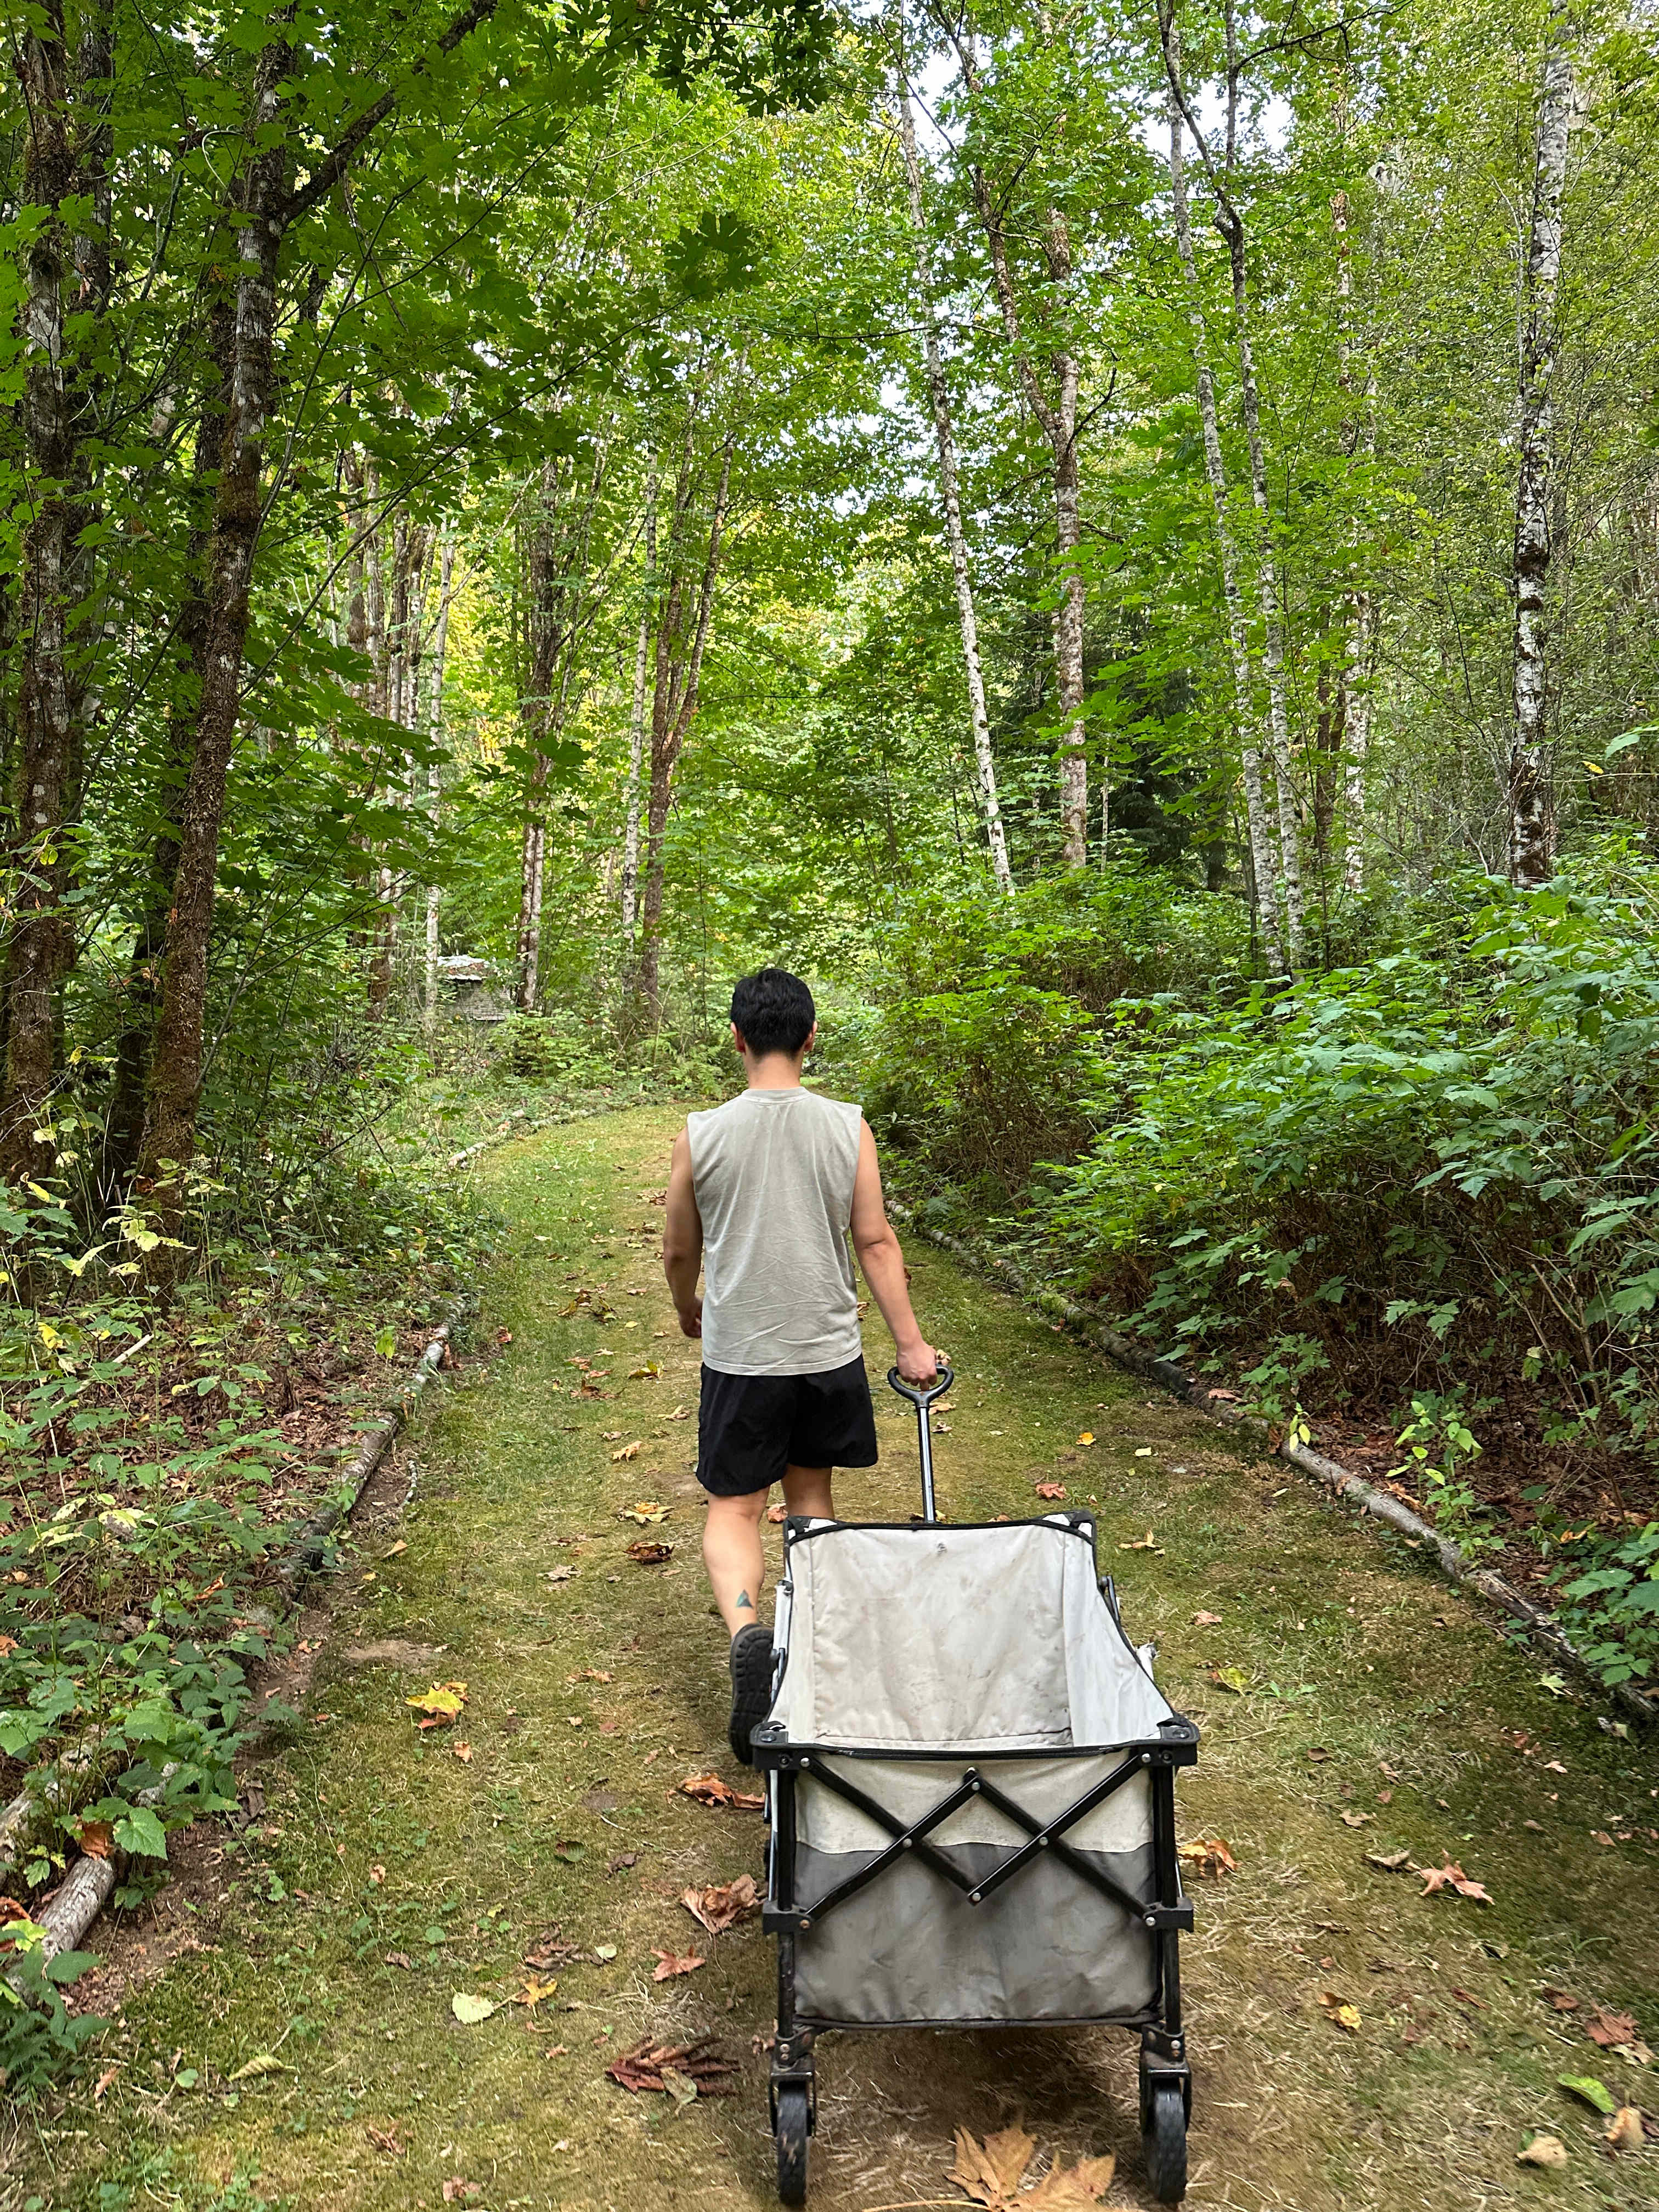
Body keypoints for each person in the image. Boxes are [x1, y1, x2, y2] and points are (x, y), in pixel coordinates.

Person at [661, 966, 939, 1764]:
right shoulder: (848, 1126)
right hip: (825, 1351)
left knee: (735, 1506)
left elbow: (679, 1247)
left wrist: (689, 1307)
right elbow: (876, 1241)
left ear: (738, 1039)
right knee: (810, 1497)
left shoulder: (700, 1133)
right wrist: (911, 1345)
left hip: (742, 1354)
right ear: (812, 1038)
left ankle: (751, 1632)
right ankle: (808, 1651)